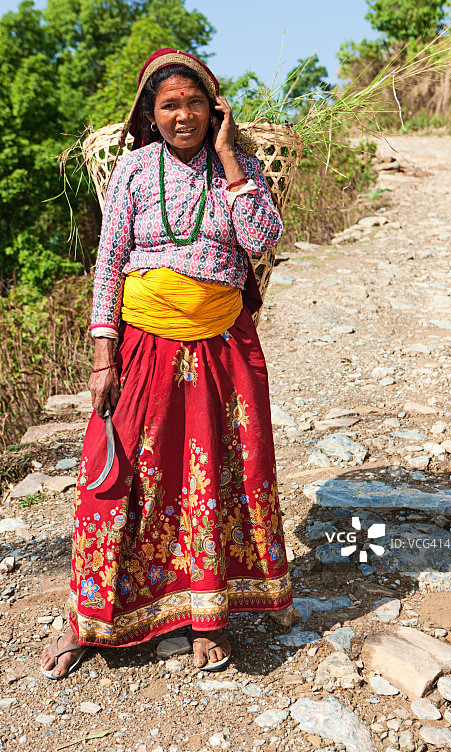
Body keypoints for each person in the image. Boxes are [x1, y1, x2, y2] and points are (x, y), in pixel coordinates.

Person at [41, 48, 293, 679]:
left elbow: (262, 240)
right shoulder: (132, 170)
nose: (184, 116)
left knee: (210, 476)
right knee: (116, 472)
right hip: (143, 341)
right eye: (169, 105)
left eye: (196, 103)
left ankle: (206, 615)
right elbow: (109, 261)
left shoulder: (240, 170)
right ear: (151, 116)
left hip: (221, 346)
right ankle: (90, 618)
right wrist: (103, 354)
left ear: (216, 109)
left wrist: (233, 159)